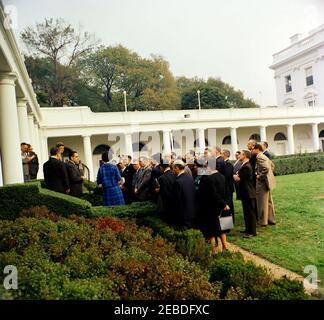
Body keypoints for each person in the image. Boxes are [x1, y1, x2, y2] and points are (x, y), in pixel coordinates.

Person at [197, 157, 231, 254]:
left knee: (211, 231)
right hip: (223, 207)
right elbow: (228, 192)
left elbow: (214, 194)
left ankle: (213, 251)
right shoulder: (222, 176)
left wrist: (223, 203)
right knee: (223, 229)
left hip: (212, 207)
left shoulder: (208, 178)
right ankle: (225, 247)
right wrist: (226, 204)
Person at [233, 150, 257, 238]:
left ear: (245, 156)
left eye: (241, 154)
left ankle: (252, 232)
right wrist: (237, 175)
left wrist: (235, 175)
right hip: (245, 192)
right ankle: (247, 229)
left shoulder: (246, 166)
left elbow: (238, 178)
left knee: (250, 213)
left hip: (248, 192)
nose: (239, 156)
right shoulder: (244, 165)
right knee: (246, 212)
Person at [252, 144, 276, 227]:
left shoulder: (259, 157)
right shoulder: (264, 156)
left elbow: (266, 168)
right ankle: (271, 219)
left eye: (253, 149)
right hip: (267, 182)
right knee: (268, 202)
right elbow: (272, 165)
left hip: (262, 183)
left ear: (257, 149)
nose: (251, 151)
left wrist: (260, 176)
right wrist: (269, 175)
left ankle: (262, 221)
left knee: (261, 202)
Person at [172, 160, 196, 229]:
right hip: (192, 210)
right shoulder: (190, 177)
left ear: (177, 168)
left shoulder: (178, 181)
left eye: (173, 168)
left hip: (183, 213)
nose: (172, 170)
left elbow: (177, 200)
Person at [156, 159, 177, 224]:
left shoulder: (162, 177)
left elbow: (164, 193)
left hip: (166, 204)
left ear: (161, 167)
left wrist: (159, 190)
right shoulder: (174, 173)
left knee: (166, 221)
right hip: (174, 200)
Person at [221, 149, 235, 222]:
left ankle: (231, 219)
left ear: (225, 154)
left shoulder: (228, 164)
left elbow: (227, 175)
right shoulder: (224, 163)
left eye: (221, 154)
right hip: (226, 187)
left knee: (229, 204)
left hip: (228, 187)